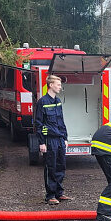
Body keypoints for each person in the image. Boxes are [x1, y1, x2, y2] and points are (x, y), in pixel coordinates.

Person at [34, 75, 70, 205]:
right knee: (51, 167)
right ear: (51, 85)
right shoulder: (42, 102)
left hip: (60, 139)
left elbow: (62, 121)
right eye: (58, 85)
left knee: (61, 166)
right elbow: (39, 123)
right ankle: (50, 195)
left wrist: (65, 137)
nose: (60, 87)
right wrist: (42, 141)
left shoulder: (58, 101)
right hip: (50, 140)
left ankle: (59, 193)